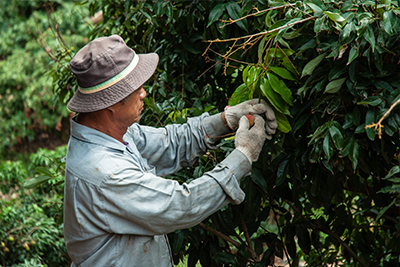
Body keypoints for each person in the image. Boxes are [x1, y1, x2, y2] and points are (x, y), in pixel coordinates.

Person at [63, 34, 277, 267]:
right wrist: (243, 155)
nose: (143, 93)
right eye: (136, 87)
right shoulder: (106, 172)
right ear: (111, 103)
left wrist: (226, 119)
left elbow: (170, 143)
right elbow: (181, 205)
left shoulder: (114, 132)